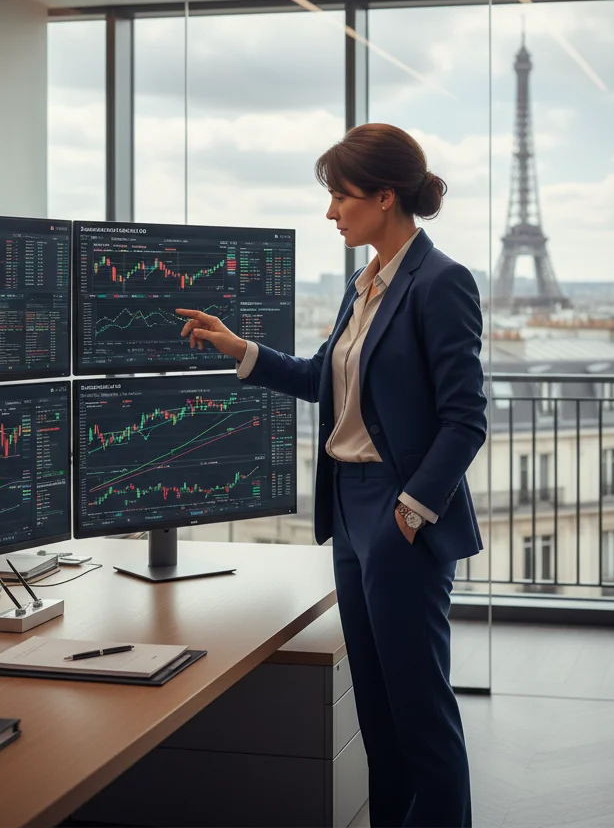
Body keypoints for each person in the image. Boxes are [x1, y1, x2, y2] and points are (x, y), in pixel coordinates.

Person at [177, 123, 486, 828]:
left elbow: (466, 419)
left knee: (419, 715)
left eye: (339, 198)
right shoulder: (366, 283)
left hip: (397, 514)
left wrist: (410, 512)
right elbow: (325, 377)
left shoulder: (441, 283)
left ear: (383, 197)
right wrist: (240, 348)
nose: (329, 213)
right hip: (349, 510)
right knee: (379, 719)